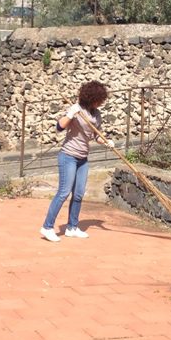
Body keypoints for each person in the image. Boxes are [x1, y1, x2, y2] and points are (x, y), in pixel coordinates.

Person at [40, 80, 110, 243]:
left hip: (83, 159)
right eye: (98, 99)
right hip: (68, 156)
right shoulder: (77, 110)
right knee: (63, 192)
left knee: (78, 194)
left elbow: (95, 135)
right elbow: (59, 128)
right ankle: (47, 227)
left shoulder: (96, 114)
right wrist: (70, 114)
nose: (100, 103)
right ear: (91, 97)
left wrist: (106, 141)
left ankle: (72, 227)